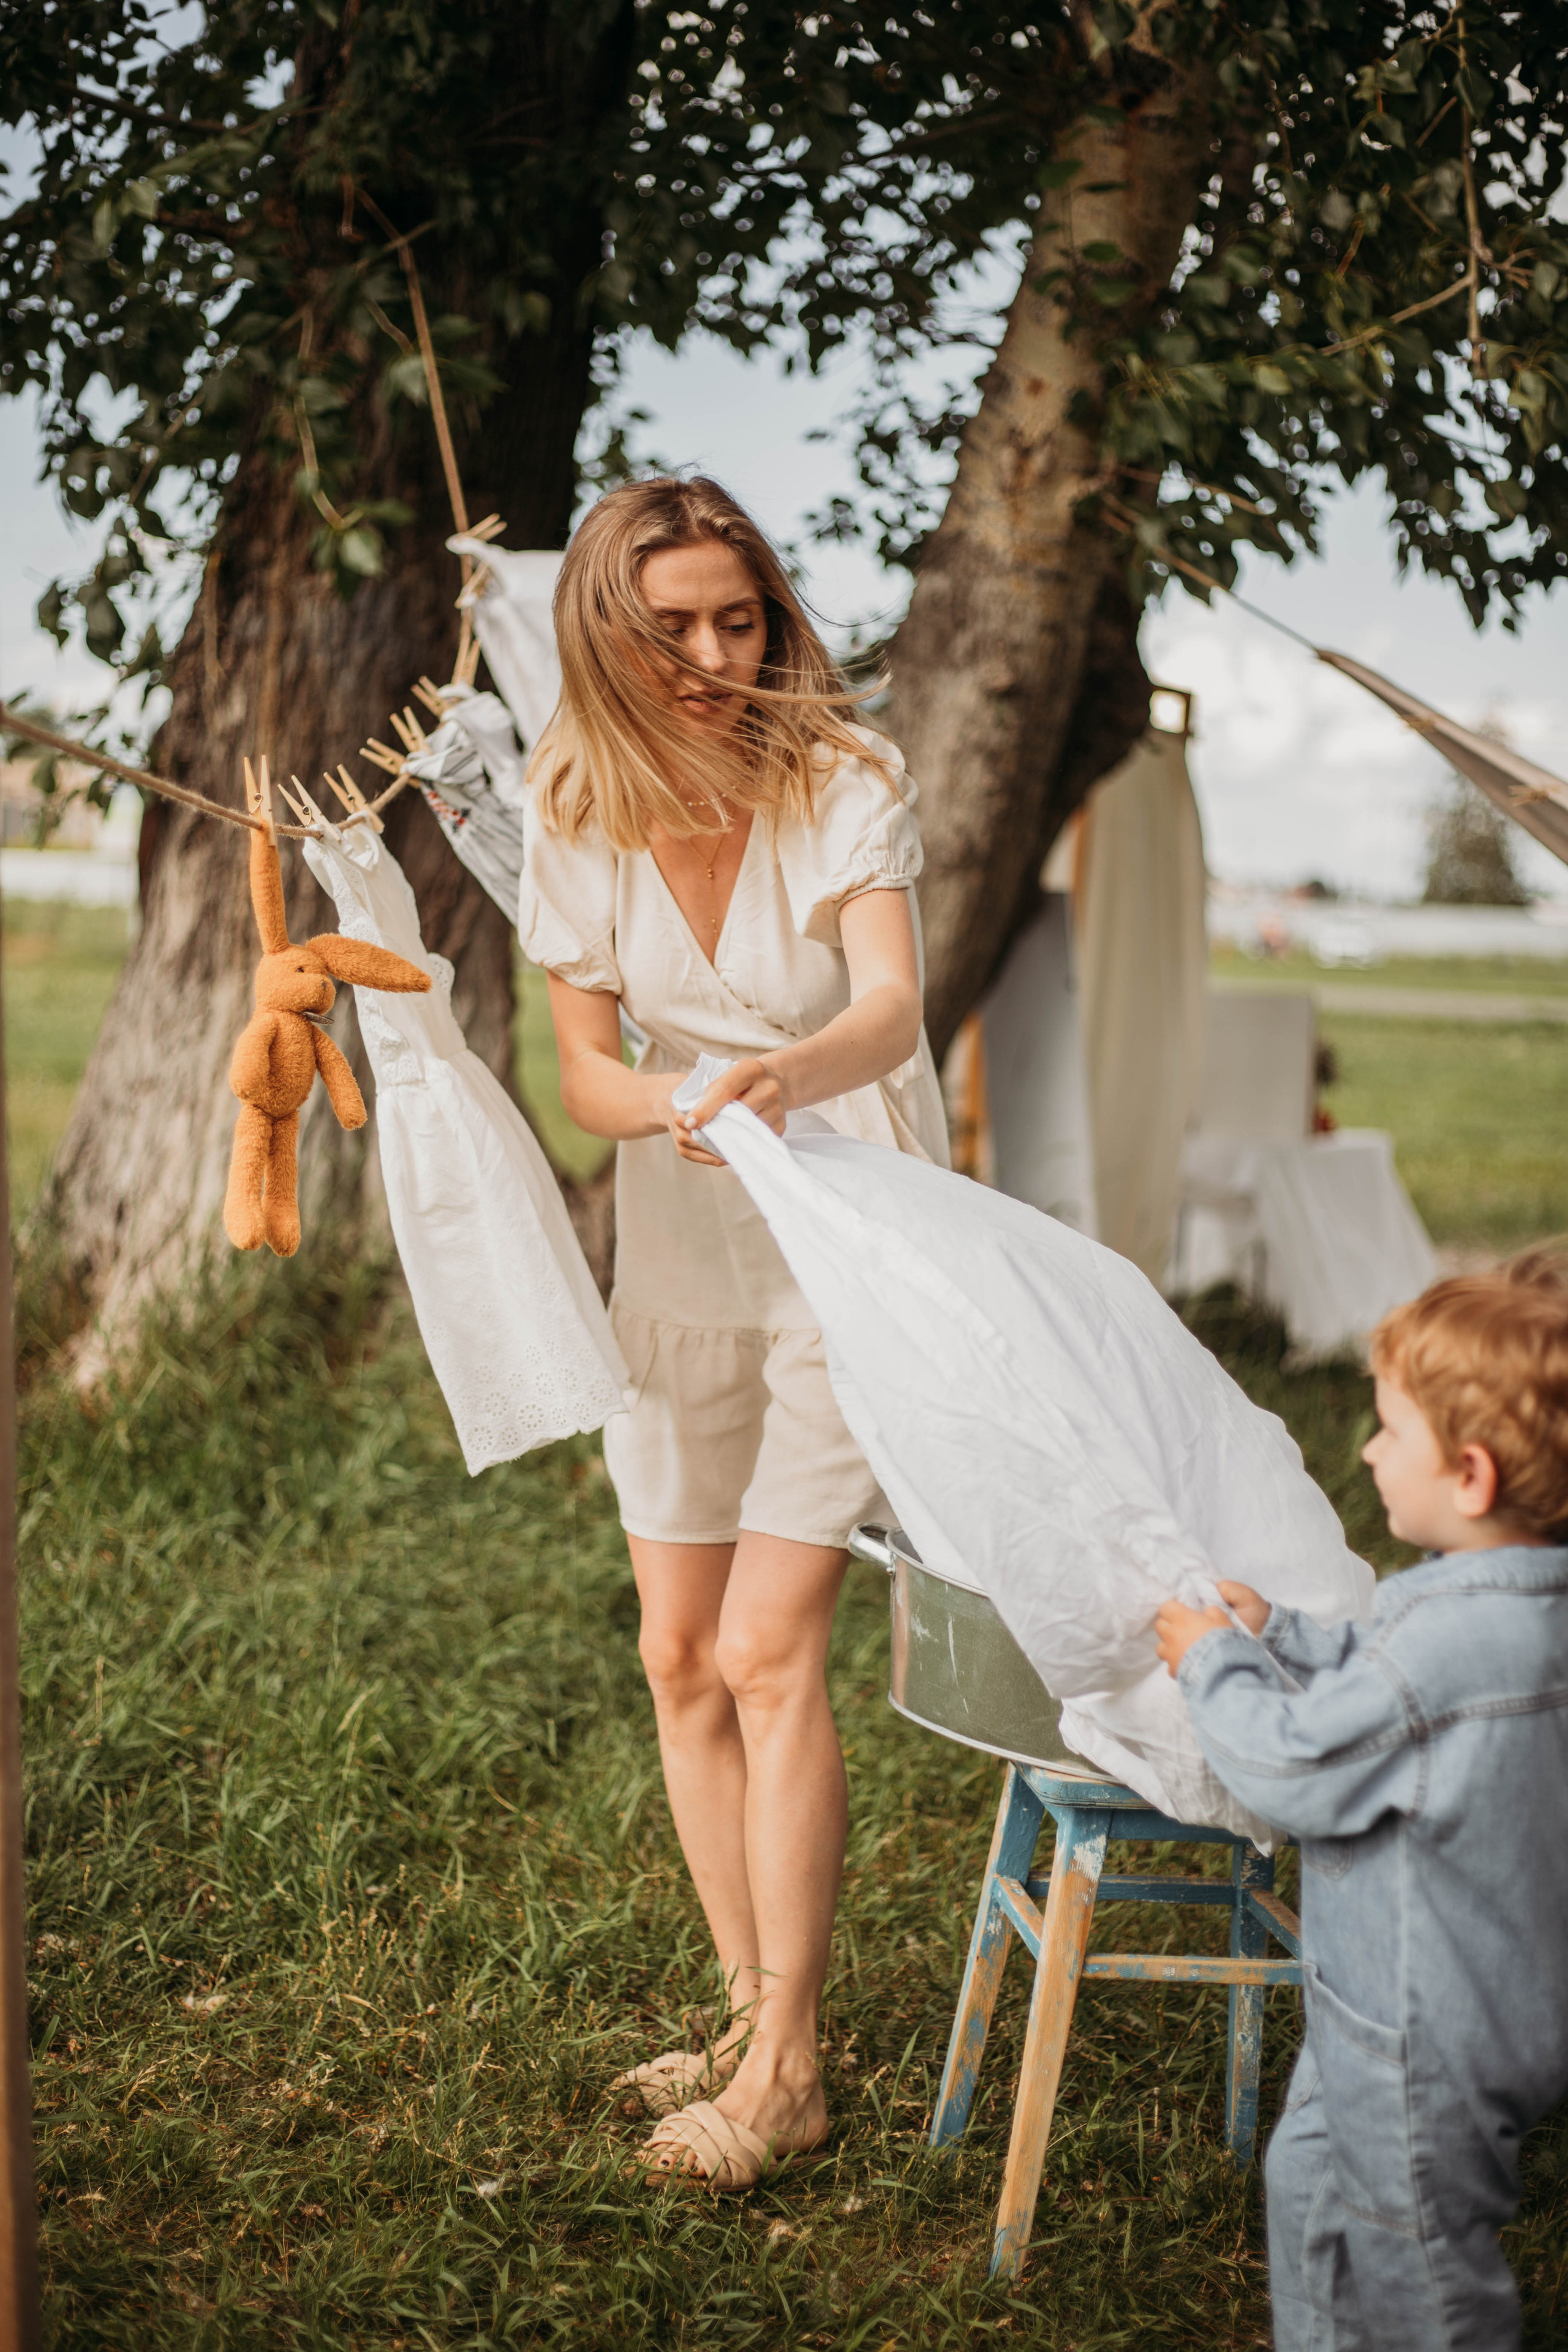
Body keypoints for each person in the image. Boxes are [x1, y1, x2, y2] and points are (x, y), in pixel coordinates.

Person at [517, 475, 950, 2189]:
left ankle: (788, 2075)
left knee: (771, 1651)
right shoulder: (573, 801)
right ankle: (743, 2007)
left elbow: (892, 1006)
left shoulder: (845, 775)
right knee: (678, 1655)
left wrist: (780, 1078)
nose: (713, 658)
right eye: (672, 627)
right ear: (602, 635)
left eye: (740, 618)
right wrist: (681, 1103)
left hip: (849, 1234)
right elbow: (585, 1075)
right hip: (684, 1246)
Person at [1153, 1253, 1568, 2351]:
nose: (1370, 1450)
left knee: (1417, 2264)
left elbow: (1296, 1767)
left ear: (1471, 1475)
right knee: (1311, 2185)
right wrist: (1285, 1633)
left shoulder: (1444, 1641)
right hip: (1490, 2000)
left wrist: (1213, 1664)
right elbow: (1391, 1689)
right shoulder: (1518, 1614)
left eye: (1389, 1430)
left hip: (1411, 2032)